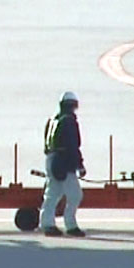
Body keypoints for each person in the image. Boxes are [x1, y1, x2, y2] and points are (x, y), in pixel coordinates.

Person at [40, 91, 87, 237]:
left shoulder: (53, 120)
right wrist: (79, 165)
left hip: (51, 159)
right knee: (75, 195)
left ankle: (47, 224)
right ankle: (71, 225)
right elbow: (73, 145)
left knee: (53, 193)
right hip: (64, 161)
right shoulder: (69, 121)